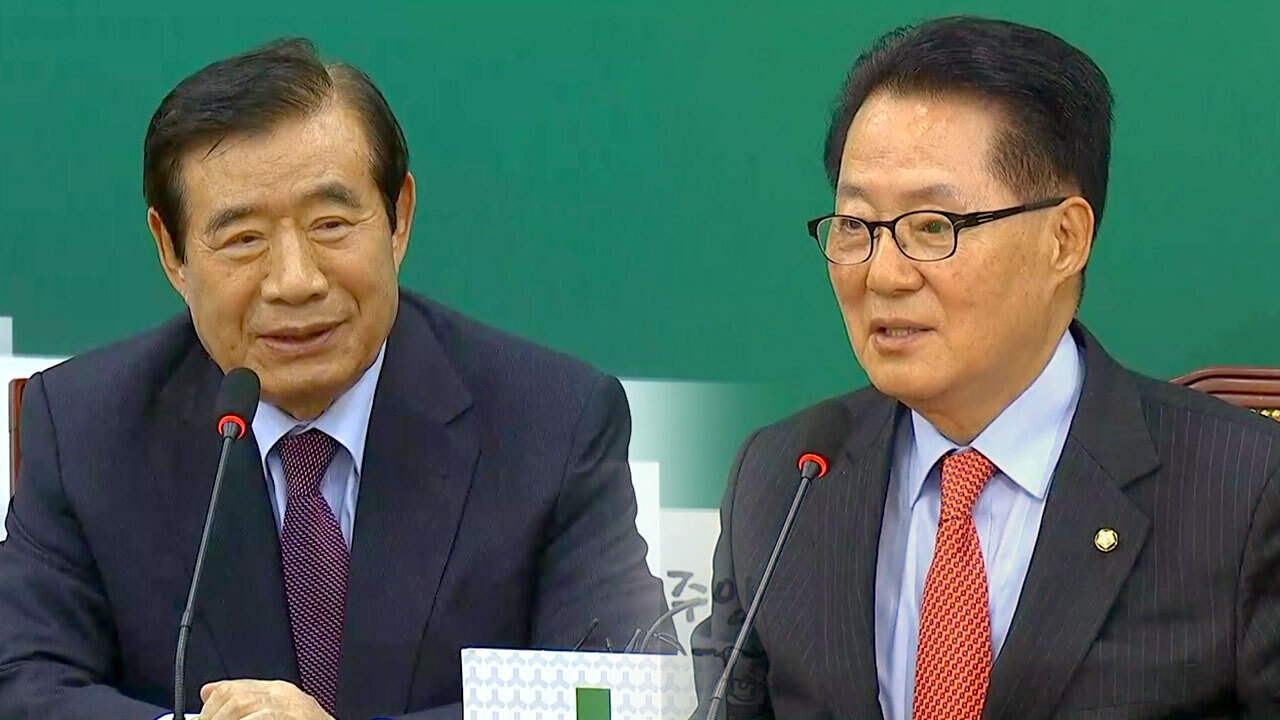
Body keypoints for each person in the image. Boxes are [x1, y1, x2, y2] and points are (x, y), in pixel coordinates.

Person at [0, 38, 667, 720]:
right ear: (172, 252)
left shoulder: (552, 424)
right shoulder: (85, 428)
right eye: (243, 239)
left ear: (398, 219)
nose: (295, 281)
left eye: (331, 224)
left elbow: (619, 698)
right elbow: (21, 680)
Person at [692, 16, 1280, 719]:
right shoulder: (783, 481)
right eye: (855, 226)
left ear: (1064, 238)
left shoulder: (1244, 494)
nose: (883, 273)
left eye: (932, 227)